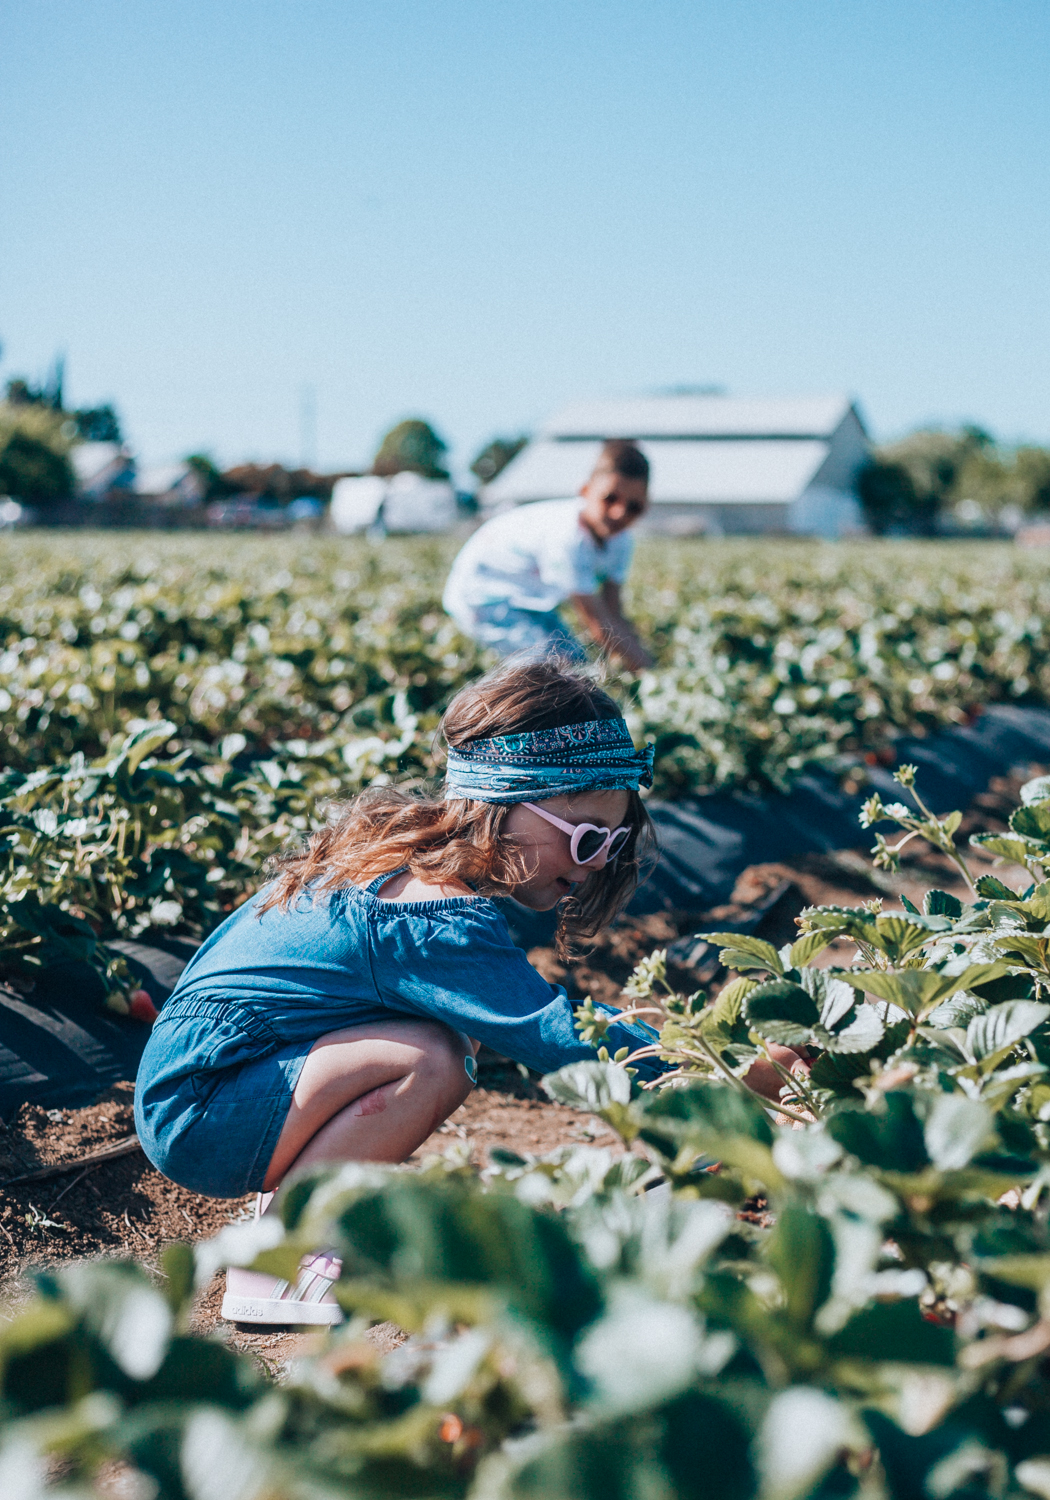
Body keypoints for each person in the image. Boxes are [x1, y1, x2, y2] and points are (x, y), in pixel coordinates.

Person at [134, 658, 664, 1327]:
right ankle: (281, 1267)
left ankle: (295, 1215)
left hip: (209, 1081)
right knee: (434, 1056)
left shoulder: (399, 858)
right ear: (503, 802)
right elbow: (555, 1034)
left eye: (613, 843)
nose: (596, 864)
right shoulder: (433, 915)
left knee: (445, 1033)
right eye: (586, 837)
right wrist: (712, 1067)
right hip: (204, 1109)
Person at [443, 439, 653, 669]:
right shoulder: (569, 537)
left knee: (576, 664)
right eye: (609, 498)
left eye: (634, 507)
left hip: (528, 600)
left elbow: (614, 613)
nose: (620, 513)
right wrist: (647, 670)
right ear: (585, 491)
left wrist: (641, 661)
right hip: (482, 596)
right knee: (553, 668)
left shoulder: (620, 540)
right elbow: (598, 623)